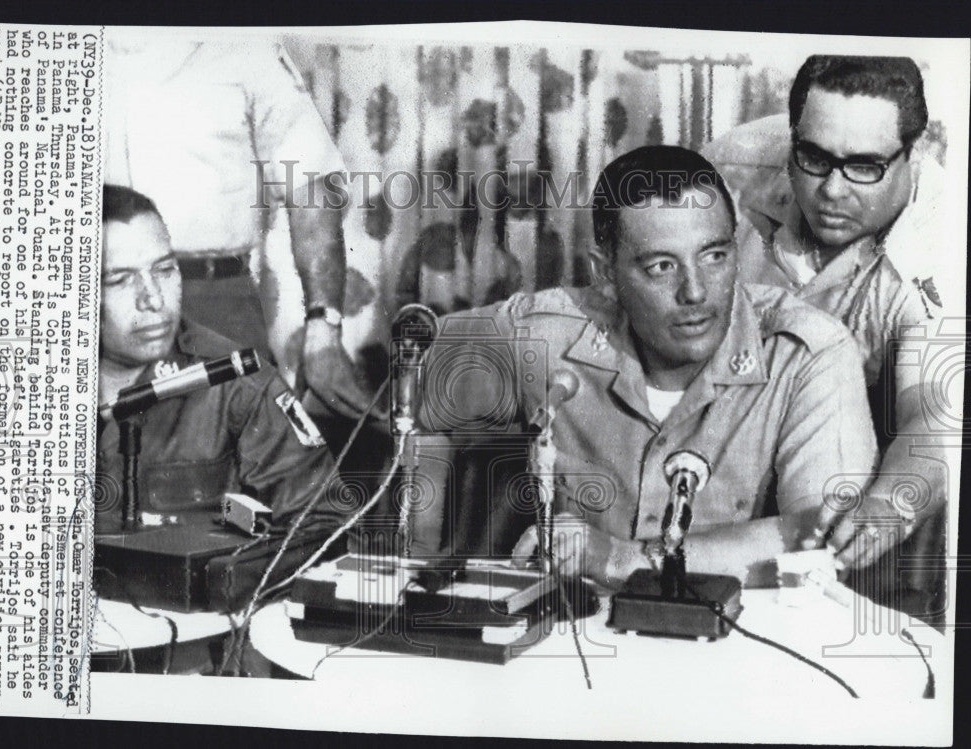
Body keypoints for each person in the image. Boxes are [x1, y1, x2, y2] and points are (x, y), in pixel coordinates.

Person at [408, 146, 878, 589]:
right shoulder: (542, 337)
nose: (695, 292)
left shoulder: (807, 353)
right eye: (661, 267)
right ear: (607, 275)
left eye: (715, 256)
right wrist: (421, 553)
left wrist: (622, 559)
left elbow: (819, 534)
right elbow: (407, 390)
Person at [702, 56, 958, 617]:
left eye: (865, 166)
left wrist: (892, 500)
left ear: (912, 156)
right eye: (814, 158)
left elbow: (933, 417)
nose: (832, 190)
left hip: (865, 453)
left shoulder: (944, 243)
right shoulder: (729, 164)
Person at [104, 31, 377, 419]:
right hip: (85, 305)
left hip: (211, 301)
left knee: (234, 461)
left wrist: (323, 329)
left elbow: (310, 185)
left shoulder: (245, 47)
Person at [95, 184, 345, 535]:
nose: (153, 300)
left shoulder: (236, 384)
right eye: (120, 280)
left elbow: (324, 526)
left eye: (165, 270)